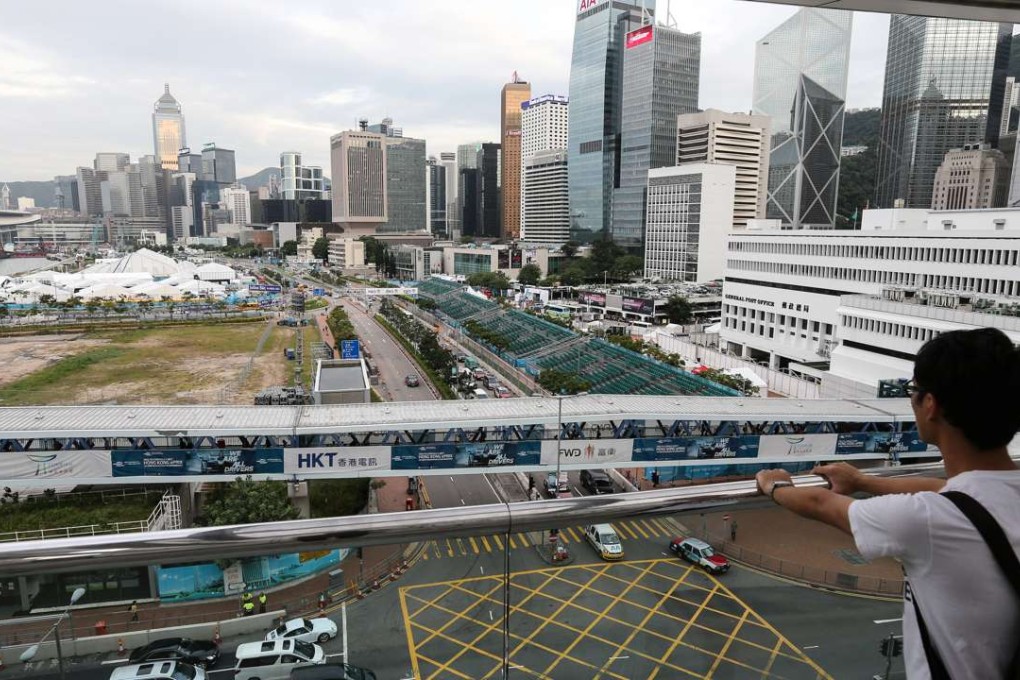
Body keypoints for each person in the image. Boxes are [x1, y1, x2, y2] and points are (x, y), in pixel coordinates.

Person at [755, 328, 1020, 680]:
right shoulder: (985, 496)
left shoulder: (924, 519)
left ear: (930, 404)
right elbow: (946, 488)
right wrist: (863, 480)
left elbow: (822, 502)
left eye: (913, 391)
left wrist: (774, 486)